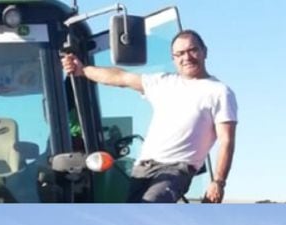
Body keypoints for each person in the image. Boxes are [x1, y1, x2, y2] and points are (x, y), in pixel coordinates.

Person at [62, 30, 237, 203]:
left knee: (150, 205)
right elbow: (121, 78)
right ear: (174, 58)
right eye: (180, 53)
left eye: (193, 50)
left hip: (177, 169)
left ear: (204, 51)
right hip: (144, 167)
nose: (187, 57)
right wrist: (82, 70)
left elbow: (226, 141)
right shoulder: (163, 82)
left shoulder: (219, 92)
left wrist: (218, 182)